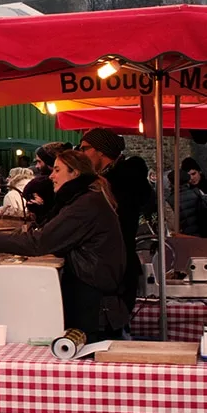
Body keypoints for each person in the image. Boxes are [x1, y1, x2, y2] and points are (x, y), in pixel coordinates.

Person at [0, 151, 129, 343]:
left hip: (93, 300)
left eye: (58, 170)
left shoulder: (85, 204)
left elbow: (41, 242)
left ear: (75, 173)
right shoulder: (86, 198)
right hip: (94, 293)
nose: (51, 175)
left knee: (86, 362)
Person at [77, 128, 152, 311]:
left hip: (115, 266)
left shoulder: (116, 184)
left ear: (101, 151)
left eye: (85, 148)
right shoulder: (110, 181)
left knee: (114, 325)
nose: (81, 153)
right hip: (115, 264)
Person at [167, 169, 207, 237]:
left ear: (171, 183)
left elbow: (172, 227)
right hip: (204, 235)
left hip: (187, 239)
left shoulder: (170, 201)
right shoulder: (197, 192)